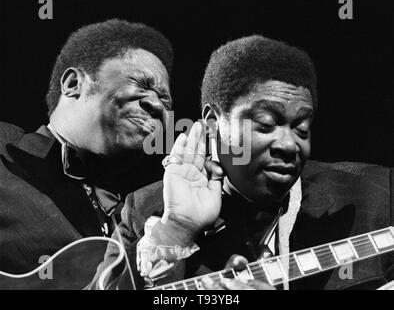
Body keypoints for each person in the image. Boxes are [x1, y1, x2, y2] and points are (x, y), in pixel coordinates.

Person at [95, 35, 394, 290]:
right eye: (265, 124)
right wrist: (177, 230)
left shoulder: (378, 195)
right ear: (213, 124)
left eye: (302, 128)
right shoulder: (147, 212)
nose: (290, 145)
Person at [0, 19, 174, 278]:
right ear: (73, 84)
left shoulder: (140, 219)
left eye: (165, 99)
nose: (158, 105)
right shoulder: (5, 150)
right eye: (142, 84)